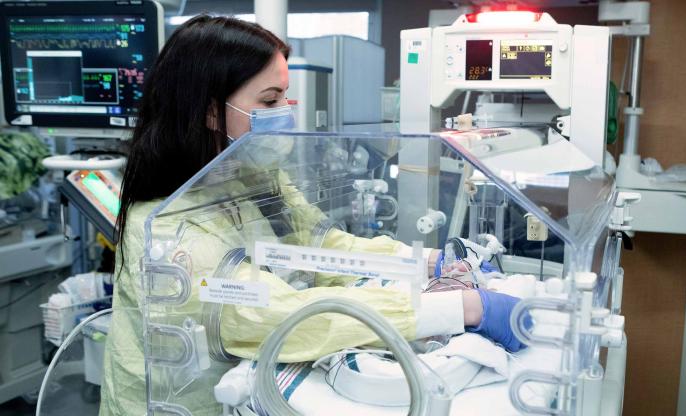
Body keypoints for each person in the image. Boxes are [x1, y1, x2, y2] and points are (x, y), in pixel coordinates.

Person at [99, 15, 527, 416]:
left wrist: (428, 263)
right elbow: (279, 316)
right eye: (270, 99)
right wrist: (461, 307)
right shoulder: (167, 226)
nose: (286, 111)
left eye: (285, 95)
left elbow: (322, 245)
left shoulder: (250, 172)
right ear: (211, 110)